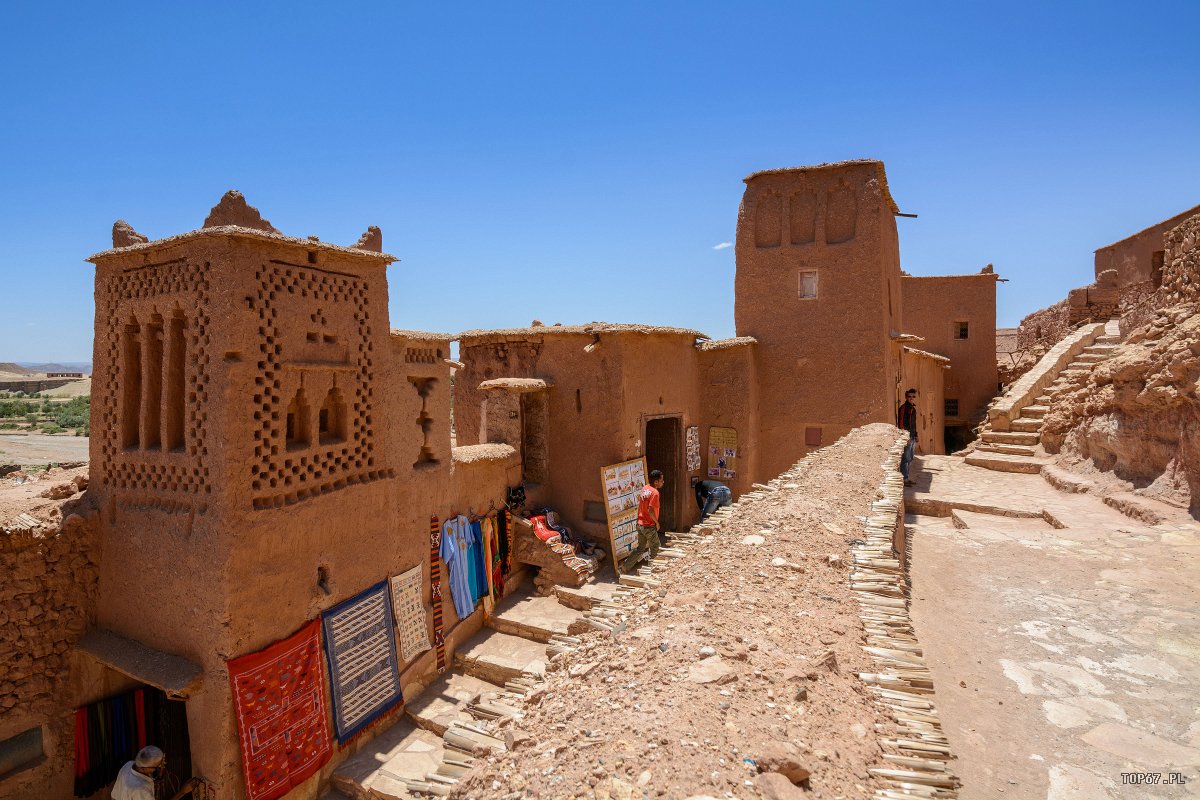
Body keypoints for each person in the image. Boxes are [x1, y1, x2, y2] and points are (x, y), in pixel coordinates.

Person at [621, 469, 664, 573]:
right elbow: (650, 510)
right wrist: (657, 523)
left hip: (640, 524)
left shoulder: (645, 488)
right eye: (662, 480)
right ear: (656, 482)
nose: (663, 482)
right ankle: (653, 570)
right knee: (656, 548)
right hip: (648, 525)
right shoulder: (655, 493)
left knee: (640, 548)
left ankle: (624, 567)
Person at [897, 388, 918, 487]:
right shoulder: (904, 408)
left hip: (912, 436)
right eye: (909, 396)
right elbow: (901, 423)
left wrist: (916, 435)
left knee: (910, 458)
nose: (911, 398)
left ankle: (907, 477)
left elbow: (913, 424)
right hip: (907, 437)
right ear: (906, 397)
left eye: (913, 396)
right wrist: (905, 437)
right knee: (905, 458)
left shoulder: (913, 409)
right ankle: (904, 479)